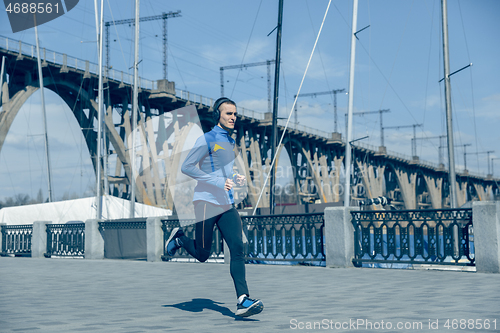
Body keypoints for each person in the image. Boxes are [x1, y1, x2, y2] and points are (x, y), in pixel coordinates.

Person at [165, 97, 264, 318]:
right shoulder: (207, 139)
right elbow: (188, 167)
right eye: (228, 113)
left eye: (235, 114)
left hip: (226, 204)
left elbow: (221, 170)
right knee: (203, 254)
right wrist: (219, 181)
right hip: (205, 202)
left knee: (237, 248)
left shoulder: (229, 141)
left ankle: (242, 300)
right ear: (217, 115)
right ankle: (179, 239)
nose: (233, 117)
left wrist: (234, 178)